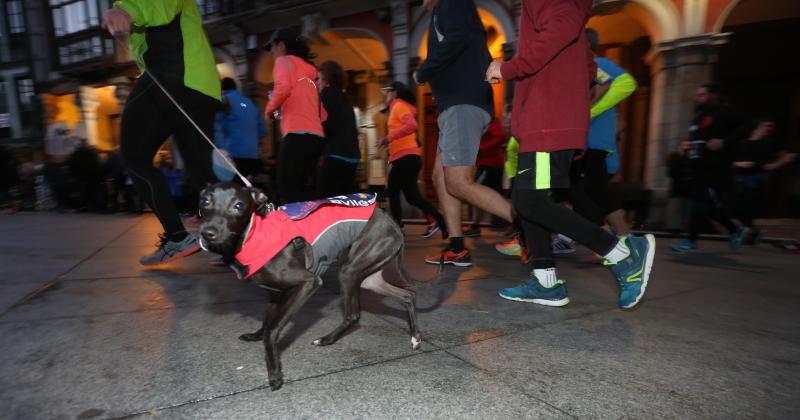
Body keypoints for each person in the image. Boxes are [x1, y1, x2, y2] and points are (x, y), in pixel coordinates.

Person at [485, 0, 655, 309]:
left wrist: (507, 67)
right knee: (529, 201)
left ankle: (622, 254)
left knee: (530, 201)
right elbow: (588, 66)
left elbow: (560, 30)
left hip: (546, 122)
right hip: (545, 120)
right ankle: (545, 281)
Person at [103, 0, 221, 265]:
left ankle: (177, 238)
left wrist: (128, 11)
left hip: (173, 75)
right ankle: (236, 240)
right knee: (201, 170)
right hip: (199, 83)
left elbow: (164, 4)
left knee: (133, 156)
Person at [414, 0, 513, 267]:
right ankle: (457, 246)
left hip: (462, 104)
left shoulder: (449, 3)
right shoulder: (450, 8)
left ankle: (529, 224)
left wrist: (423, 71)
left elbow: (457, 38)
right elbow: (466, 42)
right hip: (457, 104)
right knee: (440, 177)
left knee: (458, 182)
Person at [552, 28, 638, 254]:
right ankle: (572, 236)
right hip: (586, 144)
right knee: (581, 192)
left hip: (594, 144)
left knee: (593, 193)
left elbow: (623, 84)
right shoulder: (583, 68)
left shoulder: (597, 63)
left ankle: (624, 239)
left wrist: (588, 111)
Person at [671, 83, 748, 252]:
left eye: (702, 95)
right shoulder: (698, 117)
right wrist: (686, 146)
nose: (697, 98)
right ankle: (736, 230)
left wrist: (723, 142)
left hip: (715, 165)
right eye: (697, 95)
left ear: (713, 95)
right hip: (697, 166)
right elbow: (696, 139)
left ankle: (690, 241)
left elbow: (744, 126)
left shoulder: (724, 111)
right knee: (702, 202)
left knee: (700, 201)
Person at [263, 28, 324, 204]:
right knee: (302, 188)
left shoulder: (284, 61)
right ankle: (318, 225)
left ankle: (295, 228)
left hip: (297, 135)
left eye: (272, 47)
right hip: (315, 137)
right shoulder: (310, 71)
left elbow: (282, 88)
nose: (272, 52)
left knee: (286, 188)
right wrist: (276, 112)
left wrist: (268, 110)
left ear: (281, 45)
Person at [380, 81, 447, 238]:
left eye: (388, 91)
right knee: (412, 197)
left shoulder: (398, 106)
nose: (386, 95)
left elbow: (412, 125)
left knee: (393, 191)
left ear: (395, 93)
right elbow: (406, 132)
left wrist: (388, 138)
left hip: (406, 158)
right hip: (407, 158)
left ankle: (397, 227)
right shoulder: (397, 107)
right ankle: (439, 220)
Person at [731, 118, 796, 236]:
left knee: (748, 206)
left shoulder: (770, 143)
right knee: (735, 207)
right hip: (739, 179)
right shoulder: (742, 143)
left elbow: (789, 155)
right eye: (766, 125)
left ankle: (748, 232)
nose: (769, 129)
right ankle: (752, 232)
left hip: (757, 180)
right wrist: (740, 163)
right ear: (757, 127)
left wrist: (775, 165)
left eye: (771, 127)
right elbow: (729, 161)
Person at [316, 60, 360, 198]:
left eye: (319, 79)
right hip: (352, 156)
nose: (317, 83)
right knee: (344, 198)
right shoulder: (346, 98)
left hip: (336, 154)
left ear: (326, 79)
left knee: (325, 198)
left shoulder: (327, 94)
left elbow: (328, 125)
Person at [214, 77, 267, 181]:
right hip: (253, 156)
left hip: (233, 155)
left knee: (234, 189)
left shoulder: (224, 101)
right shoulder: (250, 103)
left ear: (222, 89)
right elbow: (262, 131)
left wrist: (220, 149)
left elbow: (217, 128)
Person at [463, 117, 507, 238]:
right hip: (487, 163)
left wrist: (482, 148)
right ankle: (511, 225)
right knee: (497, 195)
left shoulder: (488, 118)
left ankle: (476, 226)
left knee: (477, 194)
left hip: (490, 164)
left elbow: (501, 136)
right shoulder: (478, 119)